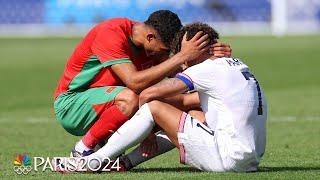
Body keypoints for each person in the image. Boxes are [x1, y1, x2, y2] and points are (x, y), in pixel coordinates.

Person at [80, 22, 267, 172]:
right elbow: (186, 101)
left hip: (227, 159)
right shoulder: (237, 65)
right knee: (194, 115)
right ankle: (124, 163)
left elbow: (147, 94)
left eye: (185, 54)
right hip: (249, 160)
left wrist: (148, 134)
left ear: (196, 50)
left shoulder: (206, 70)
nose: (183, 62)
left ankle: (95, 160)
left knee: (153, 107)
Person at [53, 10, 232, 157]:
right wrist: (182, 56)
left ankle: (120, 159)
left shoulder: (153, 45)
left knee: (186, 106)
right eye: (164, 51)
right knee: (130, 98)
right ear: (150, 38)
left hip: (108, 102)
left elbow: (182, 77)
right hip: (72, 104)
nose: (165, 55)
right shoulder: (111, 32)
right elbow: (134, 83)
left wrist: (210, 58)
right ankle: (82, 150)